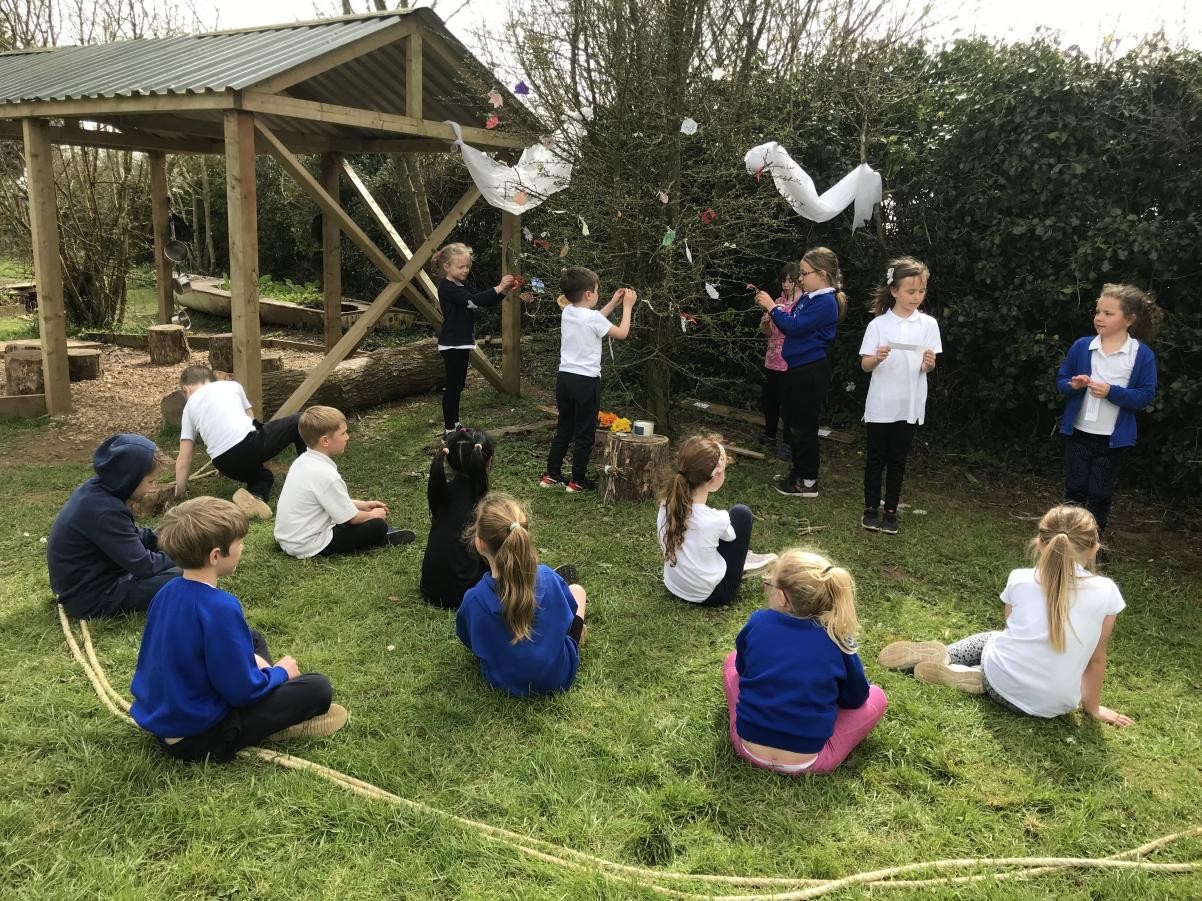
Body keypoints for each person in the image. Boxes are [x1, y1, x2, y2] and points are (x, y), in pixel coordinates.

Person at [130, 497, 347, 763]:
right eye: (239, 543)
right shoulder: (220, 607)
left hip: (166, 719)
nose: (242, 547)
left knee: (253, 638)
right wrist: (280, 672)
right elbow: (241, 692)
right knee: (317, 688)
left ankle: (268, 696)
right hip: (199, 736)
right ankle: (274, 721)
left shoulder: (167, 591)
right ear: (215, 555)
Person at [878, 505, 1132, 726]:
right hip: (1054, 707)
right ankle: (970, 673)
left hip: (1000, 684)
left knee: (992, 638)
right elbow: (1096, 659)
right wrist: (1093, 708)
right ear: (1094, 548)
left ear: (1040, 543)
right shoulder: (1107, 592)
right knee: (1007, 645)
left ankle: (949, 656)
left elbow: (1011, 626)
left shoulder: (1020, 579)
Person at [723, 549, 888, 774]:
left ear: (782, 598)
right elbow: (856, 698)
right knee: (877, 697)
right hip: (810, 760)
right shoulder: (836, 637)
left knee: (731, 660)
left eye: (768, 585)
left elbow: (742, 670)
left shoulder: (758, 622)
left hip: (747, 746)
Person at [1056, 284, 1161, 538]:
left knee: (1100, 495)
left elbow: (1145, 395)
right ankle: (1067, 542)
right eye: (1097, 312)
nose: (1099, 318)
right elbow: (1061, 381)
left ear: (1129, 320)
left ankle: (1093, 544)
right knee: (1075, 491)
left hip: (1111, 441)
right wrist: (1073, 385)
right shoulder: (1082, 346)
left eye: (1108, 313)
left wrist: (1111, 392)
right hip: (1079, 433)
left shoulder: (1141, 355)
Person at [456, 493, 586, 696]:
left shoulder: (474, 599)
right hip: (559, 676)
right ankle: (576, 641)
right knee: (577, 591)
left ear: (480, 544)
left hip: (504, 681)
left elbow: (469, 640)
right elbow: (566, 618)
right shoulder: (548, 577)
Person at [48, 433, 180, 619]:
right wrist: (183, 552)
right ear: (130, 478)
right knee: (185, 575)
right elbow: (145, 566)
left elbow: (128, 536)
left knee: (177, 566)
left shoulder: (98, 491)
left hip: (92, 580)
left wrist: (162, 539)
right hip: (91, 598)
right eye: (150, 481)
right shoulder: (105, 512)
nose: (152, 487)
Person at [754, 247, 846, 497]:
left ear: (822, 274)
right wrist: (774, 314)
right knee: (794, 424)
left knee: (804, 427)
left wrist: (772, 307)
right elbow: (791, 320)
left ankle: (808, 481)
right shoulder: (810, 297)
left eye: (804, 274)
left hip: (810, 371)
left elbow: (793, 327)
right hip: (797, 368)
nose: (800, 278)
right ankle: (797, 473)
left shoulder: (825, 302)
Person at [858, 257, 942, 535]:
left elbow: (927, 367)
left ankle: (891, 511)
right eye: (911, 291)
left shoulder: (928, 325)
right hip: (881, 403)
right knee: (876, 458)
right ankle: (871, 509)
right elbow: (865, 365)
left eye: (921, 291)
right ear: (894, 290)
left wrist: (929, 363)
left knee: (898, 460)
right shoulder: (878, 325)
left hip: (909, 405)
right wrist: (877, 358)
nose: (916, 297)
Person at [539, 267, 637, 492]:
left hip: (564, 379)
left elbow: (594, 321)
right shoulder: (592, 318)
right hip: (586, 382)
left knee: (564, 428)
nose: (598, 294)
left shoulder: (568, 312)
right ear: (588, 294)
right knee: (584, 432)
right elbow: (622, 333)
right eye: (597, 291)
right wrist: (627, 307)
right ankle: (577, 481)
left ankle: (551, 475)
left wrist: (612, 302)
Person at [274, 405, 415, 558]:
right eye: (343, 433)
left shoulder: (302, 462)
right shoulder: (326, 475)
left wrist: (363, 505)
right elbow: (353, 519)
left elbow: (328, 499)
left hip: (288, 539)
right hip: (307, 544)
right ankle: (381, 536)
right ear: (325, 441)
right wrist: (374, 514)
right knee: (377, 525)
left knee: (352, 518)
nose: (347, 437)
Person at [173, 363, 305, 520]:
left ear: (186, 389)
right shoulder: (232, 386)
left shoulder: (189, 408)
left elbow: (184, 458)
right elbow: (253, 422)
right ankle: (310, 472)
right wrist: (266, 444)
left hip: (224, 463)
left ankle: (255, 496)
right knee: (300, 420)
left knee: (263, 477)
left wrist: (179, 492)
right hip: (249, 444)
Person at [658, 434, 777, 606]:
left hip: (674, 585)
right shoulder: (717, 519)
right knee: (741, 513)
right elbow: (730, 538)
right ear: (715, 478)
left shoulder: (666, 504)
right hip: (713, 594)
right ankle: (744, 561)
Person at [432, 242, 517, 435]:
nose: (465, 270)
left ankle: (455, 425)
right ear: (447, 267)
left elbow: (480, 298)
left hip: (460, 342)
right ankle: (449, 430)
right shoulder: (447, 287)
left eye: (467, 266)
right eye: (460, 266)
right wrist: (498, 287)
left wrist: (503, 291)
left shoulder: (461, 284)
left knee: (458, 386)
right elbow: (472, 301)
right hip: (452, 343)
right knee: (453, 388)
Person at [420, 426, 493, 609]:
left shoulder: (442, 492)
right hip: (466, 594)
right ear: (488, 461)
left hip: (430, 589)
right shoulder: (484, 505)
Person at [758, 262, 803, 459]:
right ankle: (769, 434)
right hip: (772, 360)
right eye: (783, 280)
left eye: (790, 281)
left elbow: (795, 329)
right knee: (770, 401)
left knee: (789, 406)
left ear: (800, 281)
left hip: (790, 363)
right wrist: (764, 324)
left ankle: (788, 442)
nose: (786, 284)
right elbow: (768, 333)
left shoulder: (803, 305)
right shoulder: (776, 301)